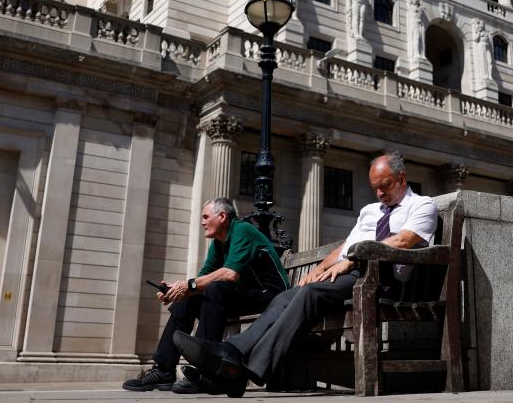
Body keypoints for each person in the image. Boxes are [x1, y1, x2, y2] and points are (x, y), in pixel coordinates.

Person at [172, 151, 437, 393]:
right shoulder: (369, 211)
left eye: (384, 186)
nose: (379, 193)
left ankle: (241, 368)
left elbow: (403, 240)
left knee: (309, 294)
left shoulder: (422, 206)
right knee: (290, 294)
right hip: (351, 274)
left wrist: (356, 258)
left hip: (384, 280)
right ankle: (232, 354)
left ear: (401, 178)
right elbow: (346, 245)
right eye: (374, 188)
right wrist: (320, 267)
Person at [122, 197, 288, 394]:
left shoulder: (242, 230)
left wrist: (189, 285)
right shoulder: (219, 243)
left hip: (272, 297)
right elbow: (200, 281)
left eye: (205, 217)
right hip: (242, 296)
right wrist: (177, 291)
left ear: (222, 216)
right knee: (192, 296)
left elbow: (229, 274)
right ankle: (164, 370)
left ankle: (206, 371)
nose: (202, 222)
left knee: (214, 289)